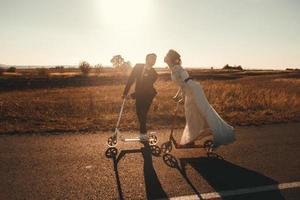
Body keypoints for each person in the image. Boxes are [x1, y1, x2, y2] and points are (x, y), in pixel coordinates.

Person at [164, 49, 235, 148]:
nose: (165, 57)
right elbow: (182, 85)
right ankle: (191, 139)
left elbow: (187, 81)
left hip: (194, 92)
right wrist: (178, 96)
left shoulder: (178, 68)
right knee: (192, 116)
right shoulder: (173, 69)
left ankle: (214, 130)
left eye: (167, 55)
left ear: (171, 58)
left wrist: (189, 93)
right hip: (190, 92)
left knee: (198, 113)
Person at [122, 53, 158, 140]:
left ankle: (143, 135)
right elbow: (131, 79)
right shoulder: (138, 67)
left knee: (143, 114)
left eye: (155, 59)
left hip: (148, 95)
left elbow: (145, 88)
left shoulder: (154, 74)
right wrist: (125, 93)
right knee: (139, 113)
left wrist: (131, 95)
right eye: (152, 58)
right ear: (146, 59)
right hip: (140, 95)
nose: (153, 61)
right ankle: (143, 134)